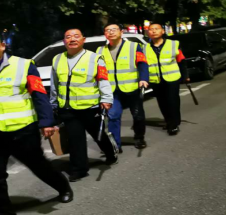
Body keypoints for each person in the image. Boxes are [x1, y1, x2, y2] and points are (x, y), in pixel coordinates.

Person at [0, 30, 73, 215]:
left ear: (2, 45)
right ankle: (4, 212)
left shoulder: (24, 65)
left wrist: (46, 122)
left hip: (22, 132)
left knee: (39, 166)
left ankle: (63, 187)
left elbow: (39, 95)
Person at [50, 28, 117, 182]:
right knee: (75, 139)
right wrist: (53, 103)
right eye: (68, 37)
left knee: (98, 135)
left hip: (90, 107)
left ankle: (110, 153)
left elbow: (103, 80)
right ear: (64, 41)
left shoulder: (95, 58)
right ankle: (79, 169)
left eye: (76, 36)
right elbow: (55, 84)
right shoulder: (57, 59)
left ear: (83, 40)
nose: (72, 39)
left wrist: (106, 98)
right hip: (68, 108)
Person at [96, 23, 149, 151]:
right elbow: (98, 70)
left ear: (121, 32)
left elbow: (142, 63)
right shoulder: (100, 50)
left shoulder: (133, 46)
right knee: (113, 116)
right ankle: (115, 144)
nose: (111, 32)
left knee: (138, 115)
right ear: (105, 34)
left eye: (114, 29)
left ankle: (139, 137)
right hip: (112, 90)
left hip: (132, 88)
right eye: (107, 30)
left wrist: (143, 78)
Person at [145, 23, 190, 135]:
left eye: (156, 29)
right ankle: (169, 120)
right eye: (151, 29)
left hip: (172, 78)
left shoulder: (173, 44)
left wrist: (185, 76)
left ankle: (173, 125)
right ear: (148, 33)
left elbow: (181, 60)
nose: (154, 31)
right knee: (162, 102)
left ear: (162, 31)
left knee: (172, 100)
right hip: (155, 80)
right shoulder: (145, 48)